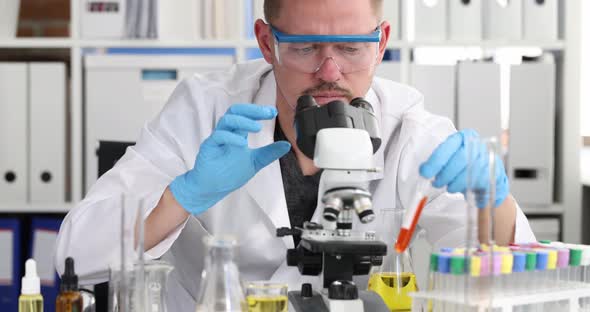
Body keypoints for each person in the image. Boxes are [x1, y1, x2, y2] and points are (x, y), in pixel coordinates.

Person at [55, 0, 535, 311]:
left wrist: (493, 200)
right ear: (267, 43)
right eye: (305, 47)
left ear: (382, 43)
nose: (330, 71)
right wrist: (181, 197)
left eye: (351, 47)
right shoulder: (204, 111)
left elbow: (520, 286)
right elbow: (78, 253)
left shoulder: (411, 130)